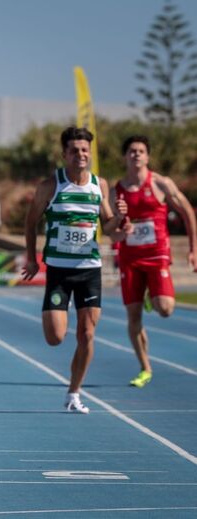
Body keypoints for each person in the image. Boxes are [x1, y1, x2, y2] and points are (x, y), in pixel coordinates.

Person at [21, 126, 128, 414]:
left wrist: (120, 220)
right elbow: (30, 223)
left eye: (84, 150)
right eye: (74, 150)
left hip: (89, 270)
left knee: (87, 334)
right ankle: (58, 313)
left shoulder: (99, 185)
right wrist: (31, 258)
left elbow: (109, 228)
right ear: (64, 154)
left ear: (89, 153)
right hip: (59, 271)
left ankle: (74, 393)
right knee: (55, 337)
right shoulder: (50, 186)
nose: (80, 154)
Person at [111, 135, 197, 388]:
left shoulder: (161, 183)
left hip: (157, 255)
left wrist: (194, 249)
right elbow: (110, 229)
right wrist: (120, 230)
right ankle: (145, 368)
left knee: (166, 309)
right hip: (130, 258)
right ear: (125, 157)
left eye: (141, 151)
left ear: (147, 156)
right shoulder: (117, 191)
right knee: (133, 315)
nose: (136, 154)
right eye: (132, 151)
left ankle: (152, 293)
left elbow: (187, 212)